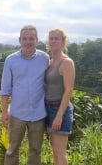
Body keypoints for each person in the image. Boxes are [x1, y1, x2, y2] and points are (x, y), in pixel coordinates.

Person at [0, 25, 50, 165]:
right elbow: (5, 89)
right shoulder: (11, 60)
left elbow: (50, 83)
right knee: (12, 150)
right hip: (17, 114)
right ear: (20, 40)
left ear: (37, 40)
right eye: (25, 38)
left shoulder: (44, 58)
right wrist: (4, 113)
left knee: (36, 150)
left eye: (31, 38)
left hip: (38, 114)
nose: (28, 41)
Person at [45, 29, 75, 165]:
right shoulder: (49, 62)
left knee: (60, 153)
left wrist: (59, 115)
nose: (53, 41)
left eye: (57, 38)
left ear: (63, 42)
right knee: (55, 151)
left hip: (59, 109)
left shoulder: (67, 62)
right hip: (48, 107)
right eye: (51, 38)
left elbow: (68, 90)